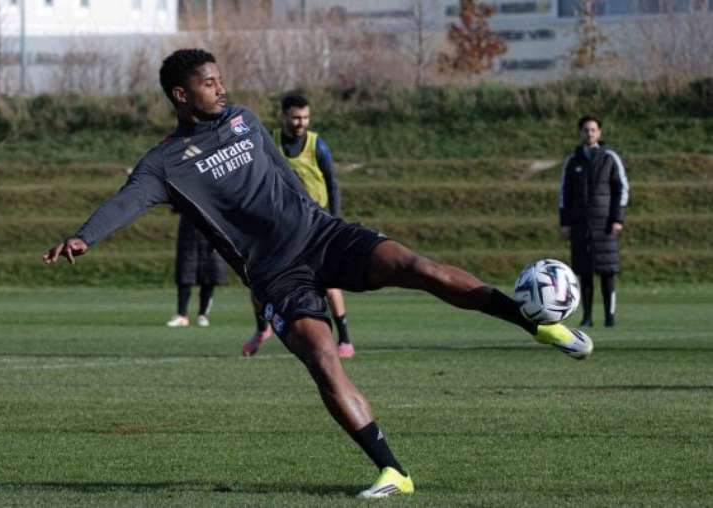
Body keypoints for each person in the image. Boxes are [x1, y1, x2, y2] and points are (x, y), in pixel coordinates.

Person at [43, 48, 593, 499]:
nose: (221, 88)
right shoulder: (165, 164)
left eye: (220, 79)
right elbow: (126, 200)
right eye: (209, 84)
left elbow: (283, 177)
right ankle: (393, 471)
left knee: (418, 267)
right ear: (181, 96)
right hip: (277, 276)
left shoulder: (244, 119)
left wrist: (315, 218)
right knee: (323, 357)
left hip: (321, 235)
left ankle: (537, 324)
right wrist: (84, 236)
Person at [242, 93, 354, 359]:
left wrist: (335, 218)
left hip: (316, 222)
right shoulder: (268, 142)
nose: (301, 122)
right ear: (284, 116)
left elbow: (332, 182)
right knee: (257, 280)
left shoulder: (317, 145)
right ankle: (262, 329)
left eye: (305, 117)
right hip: (279, 224)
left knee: (328, 281)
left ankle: (345, 339)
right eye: (295, 117)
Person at [559, 115, 629, 328]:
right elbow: (564, 194)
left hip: (605, 225)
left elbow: (621, 189)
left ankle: (610, 317)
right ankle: (587, 317)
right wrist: (565, 222)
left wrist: (617, 218)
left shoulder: (610, 158)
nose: (589, 133)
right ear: (580, 133)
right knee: (584, 273)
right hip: (581, 226)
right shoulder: (573, 161)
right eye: (586, 130)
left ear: (599, 132)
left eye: (593, 130)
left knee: (608, 273)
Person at [166, 212, 228, 328]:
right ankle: (181, 315)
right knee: (185, 277)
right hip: (189, 238)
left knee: (209, 278)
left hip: (210, 239)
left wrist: (219, 240)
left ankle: (202, 315)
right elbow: (174, 208)